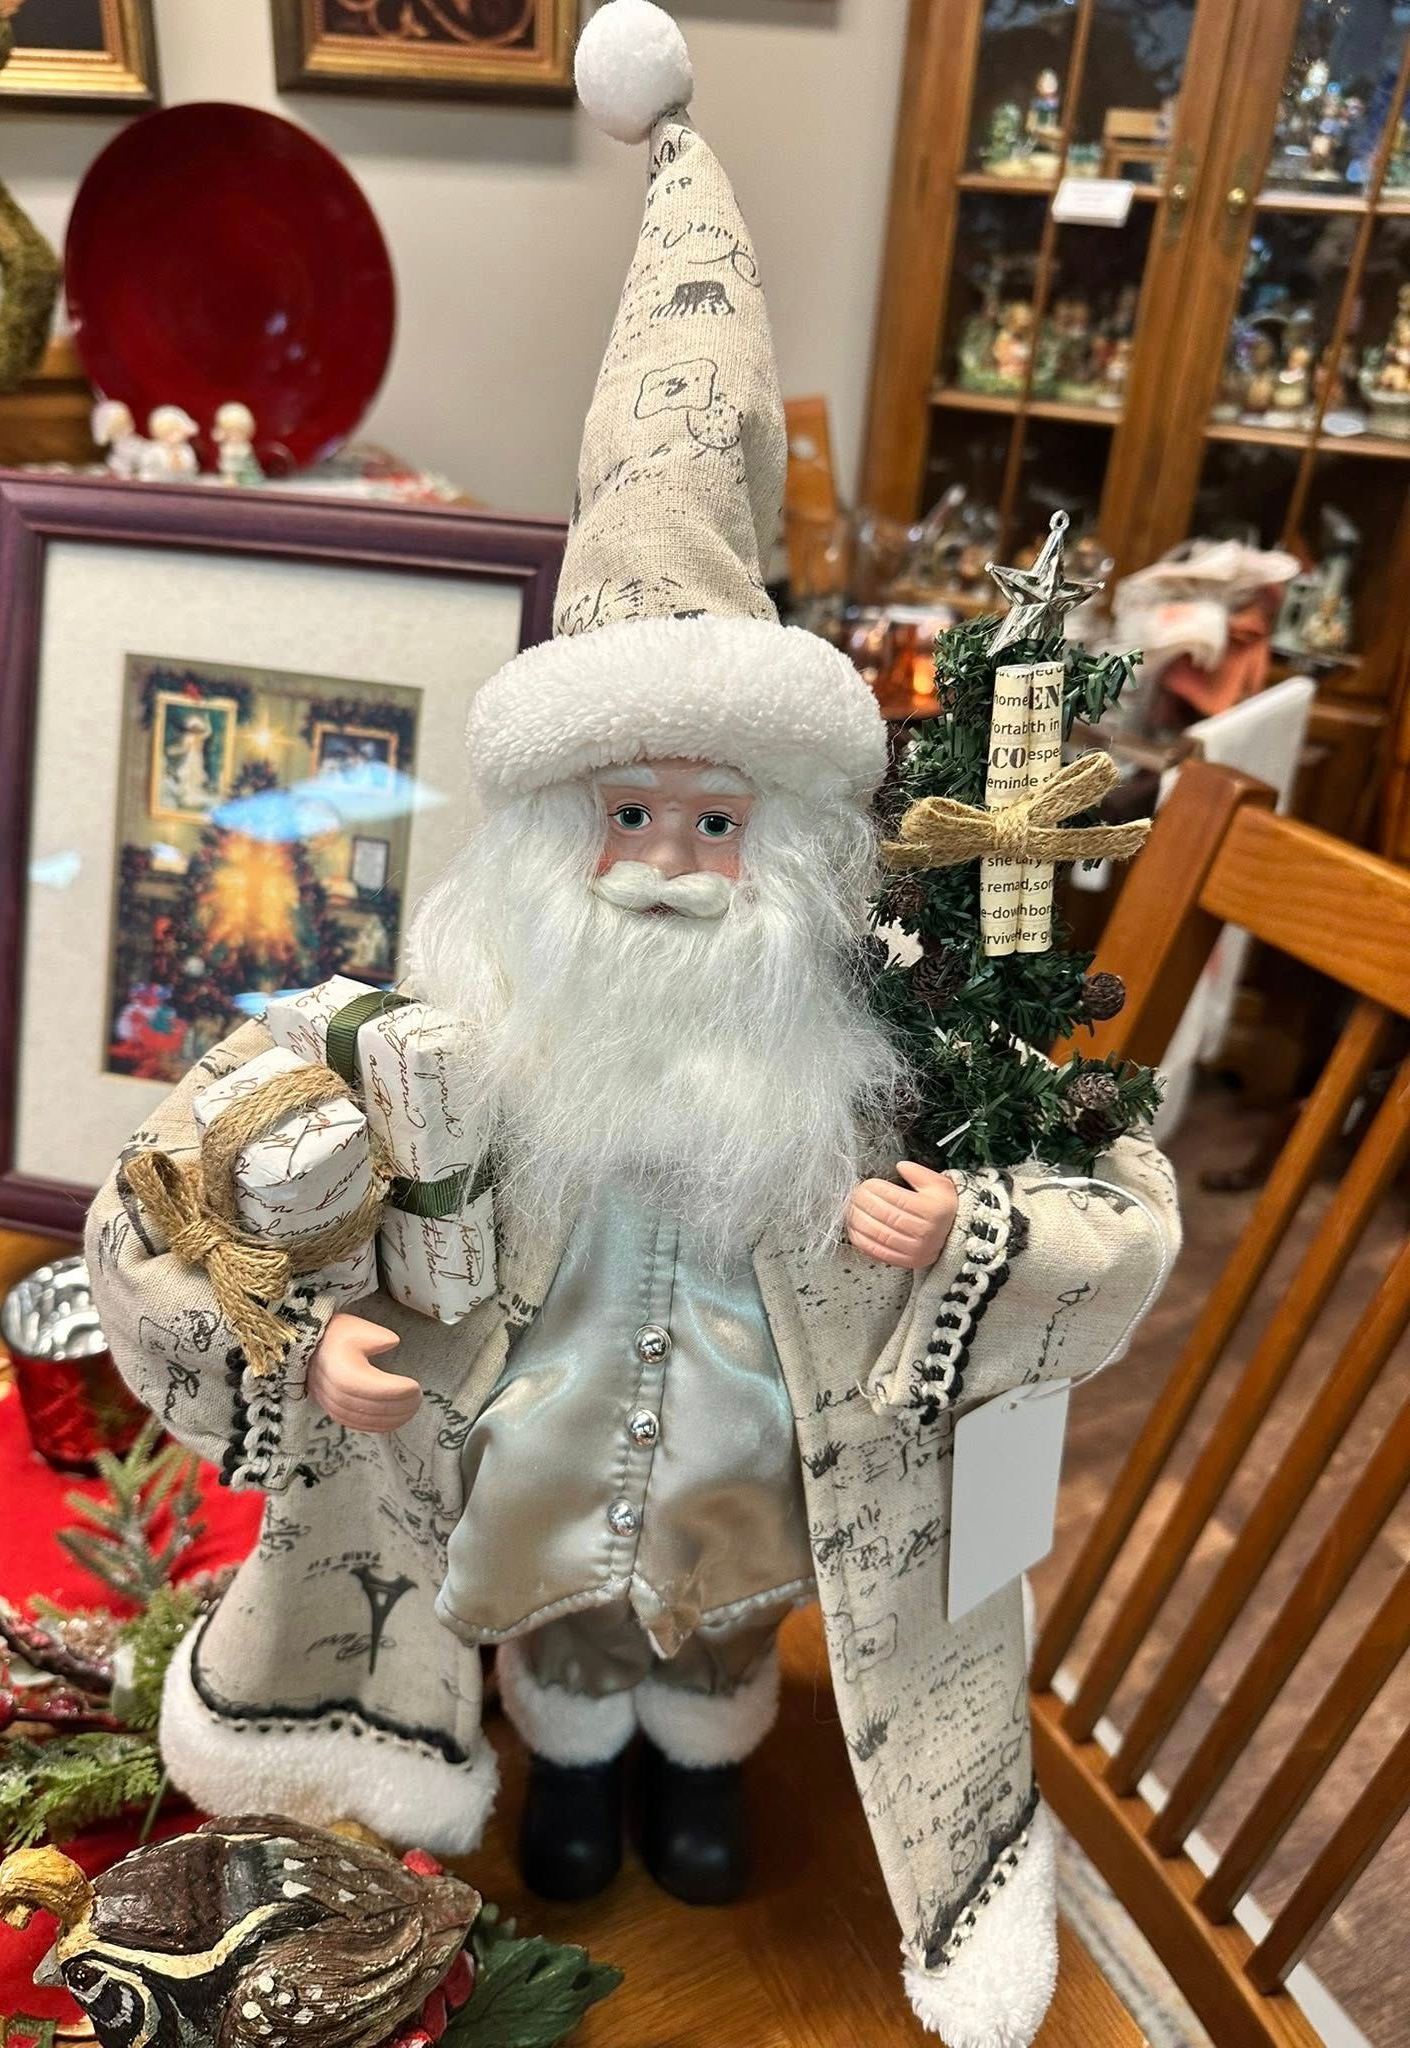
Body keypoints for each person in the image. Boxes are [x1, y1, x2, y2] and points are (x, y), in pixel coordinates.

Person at [85, 10, 1177, 2042]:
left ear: (783, 841)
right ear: (551, 826)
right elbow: (193, 1182)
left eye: (712, 820)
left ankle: (703, 1762)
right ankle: (570, 1766)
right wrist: (301, 1327)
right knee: (573, 1634)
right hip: (536, 1447)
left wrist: (965, 1236)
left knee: (716, 1620)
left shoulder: (879, 1052)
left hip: (769, 1459)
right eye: (629, 817)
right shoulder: (450, 1030)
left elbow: (1117, 1207)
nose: (670, 863)